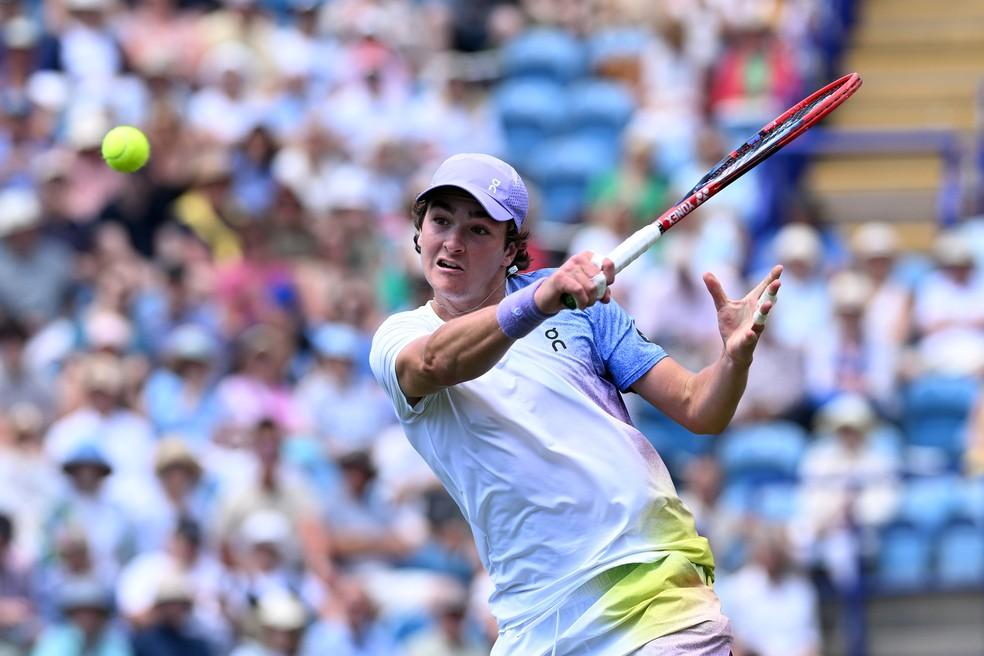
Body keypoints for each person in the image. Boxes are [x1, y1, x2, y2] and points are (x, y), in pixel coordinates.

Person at [370, 153, 783, 656]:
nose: (452, 242)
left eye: (478, 230)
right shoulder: (402, 336)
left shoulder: (581, 312)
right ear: (419, 230)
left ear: (511, 250)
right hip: (535, 618)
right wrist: (541, 300)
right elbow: (433, 365)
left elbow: (699, 408)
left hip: (651, 588)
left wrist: (733, 360)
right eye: (440, 221)